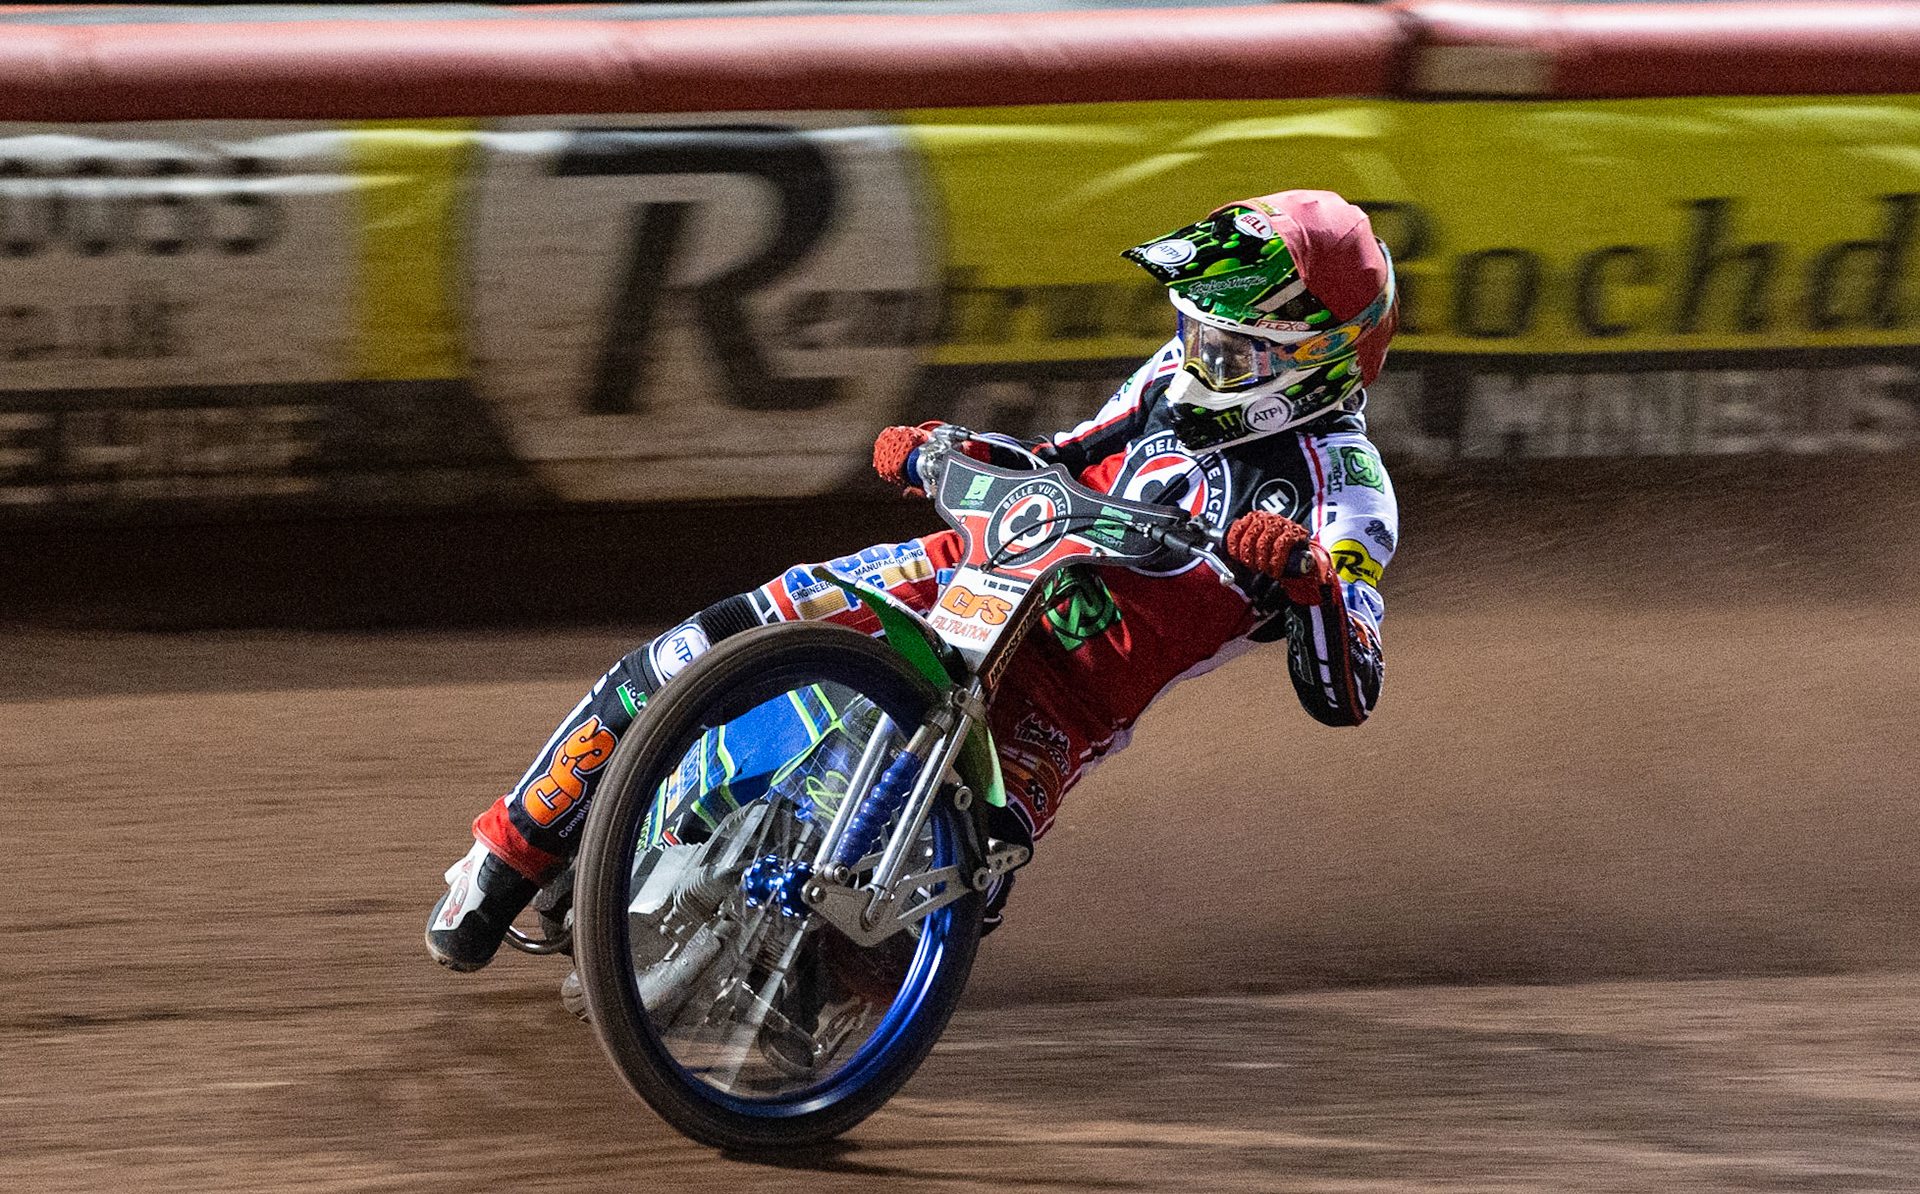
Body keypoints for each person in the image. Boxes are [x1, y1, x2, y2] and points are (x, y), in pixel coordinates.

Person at [426, 188, 1400, 979]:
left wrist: (1310, 580)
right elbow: (1061, 455)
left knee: (922, 923)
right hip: (972, 573)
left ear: (1314, 359)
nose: (1198, 359)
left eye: (1229, 349)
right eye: (1193, 331)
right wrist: (946, 447)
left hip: (1063, 691)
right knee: (713, 638)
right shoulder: (1170, 377)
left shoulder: (1347, 490)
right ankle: (508, 852)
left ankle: (797, 1006)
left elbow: (1348, 687)